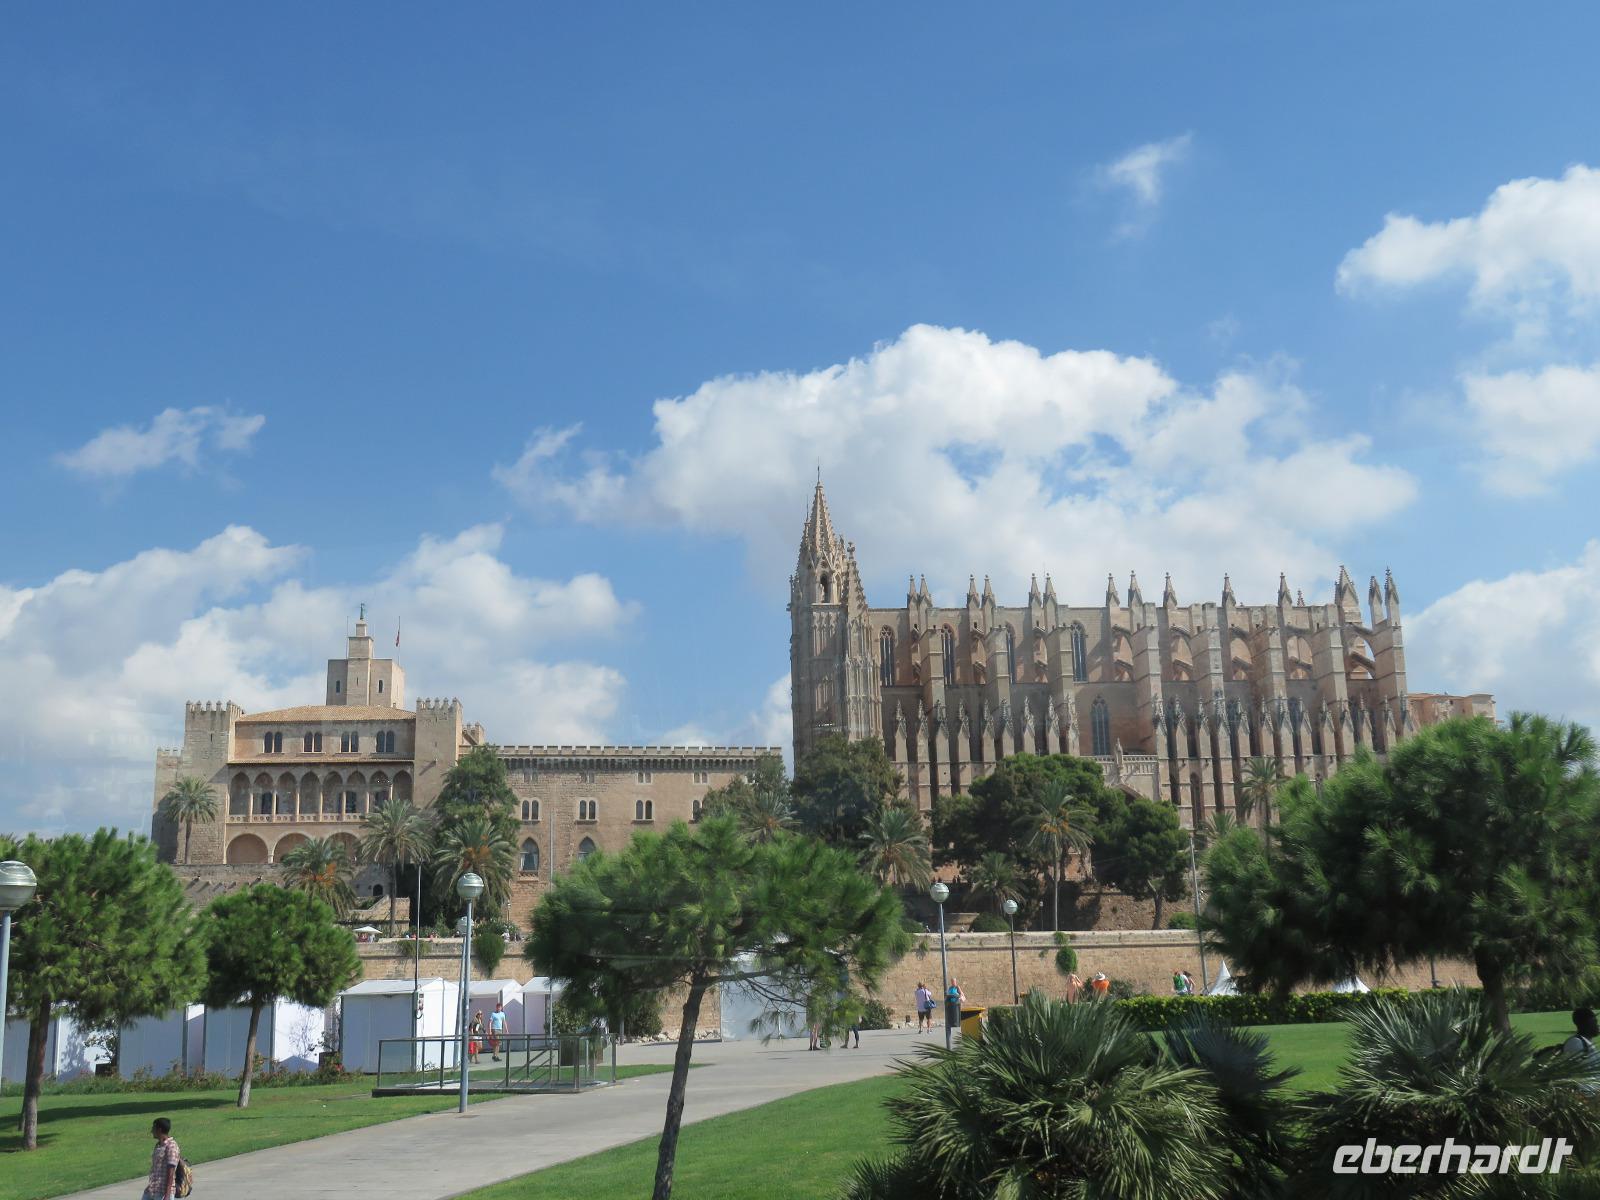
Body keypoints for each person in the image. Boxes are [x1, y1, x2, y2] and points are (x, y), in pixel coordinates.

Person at [145, 1117, 181, 1200]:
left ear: (159, 1130)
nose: (151, 1131)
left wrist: (167, 1195)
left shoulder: (171, 1146)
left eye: (153, 1128)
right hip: (152, 1190)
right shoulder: (159, 1145)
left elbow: (171, 1172)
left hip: (163, 1193)